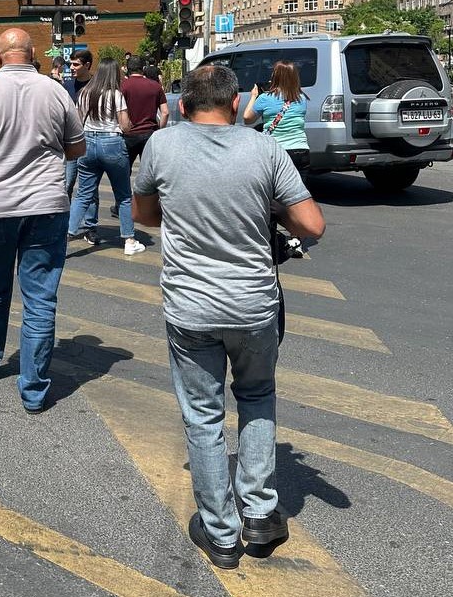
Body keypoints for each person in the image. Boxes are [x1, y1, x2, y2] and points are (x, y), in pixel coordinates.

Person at [133, 64, 325, 570]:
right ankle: (260, 514)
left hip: (191, 308)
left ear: (181, 105)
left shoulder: (162, 147)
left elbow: (143, 216)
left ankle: (220, 532)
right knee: (257, 396)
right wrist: (266, 210)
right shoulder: (265, 150)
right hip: (254, 307)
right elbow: (312, 225)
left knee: (203, 415)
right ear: (237, 104)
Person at [0, 28, 85, 414]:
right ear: (32, 53)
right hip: (46, 203)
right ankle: (34, 390)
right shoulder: (56, 91)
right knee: (40, 296)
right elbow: (77, 147)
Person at [66, 58, 142, 254]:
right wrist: (130, 126)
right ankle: (129, 241)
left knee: (83, 194)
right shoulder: (116, 94)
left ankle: (67, 234)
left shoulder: (84, 93)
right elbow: (124, 124)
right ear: (114, 74)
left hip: (88, 143)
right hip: (112, 143)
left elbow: (76, 121)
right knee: (124, 196)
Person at [114, 55, 169, 241]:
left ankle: (123, 205)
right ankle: (156, 206)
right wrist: (159, 130)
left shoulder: (123, 86)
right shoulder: (155, 86)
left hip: (128, 135)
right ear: (143, 68)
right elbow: (165, 112)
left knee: (124, 172)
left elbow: (117, 111)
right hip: (149, 134)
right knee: (152, 173)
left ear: (127, 69)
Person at [242, 60, 310, 172]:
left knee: (274, 188)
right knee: (299, 188)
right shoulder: (302, 98)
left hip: (276, 151)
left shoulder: (265, 98)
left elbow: (247, 119)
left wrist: (254, 96)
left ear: (275, 76)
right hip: (300, 150)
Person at [63, 49, 98, 235]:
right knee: (67, 183)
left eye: (76, 64)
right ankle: (64, 222)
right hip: (70, 142)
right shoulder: (67, 85)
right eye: (70, 64)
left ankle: (90, 226)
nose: (72, 68)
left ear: (87, 65)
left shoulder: (95, 85)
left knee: (89, 186)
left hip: (90, 141)